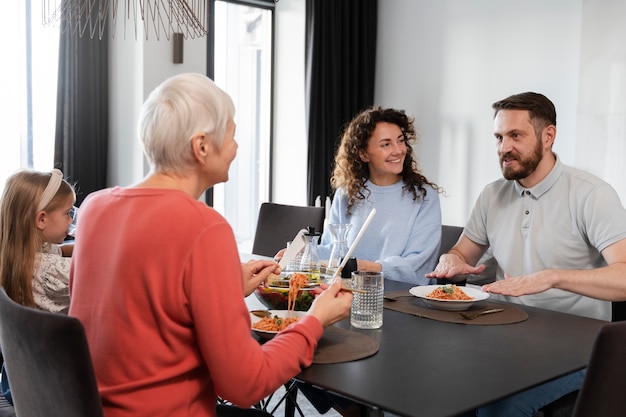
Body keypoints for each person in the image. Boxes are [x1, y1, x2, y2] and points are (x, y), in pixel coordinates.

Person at [67, 73, 353, 417]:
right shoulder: (204, 227)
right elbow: (245, 385)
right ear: (201, 146)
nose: (235, 147)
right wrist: (314, 321)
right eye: (232, 135)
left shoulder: (95, 208)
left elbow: (138, 309)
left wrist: (226, 286)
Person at [426, 92, 626, 417]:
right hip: (501, 336)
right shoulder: (493, 195)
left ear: (548, 136)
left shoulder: (593, 195)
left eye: (516, 136)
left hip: (577, 350)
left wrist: (554, 277)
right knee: (429, 382)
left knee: (494, 406)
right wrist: (451, 259)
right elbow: (463, 251)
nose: (504, 148)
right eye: (499, 137)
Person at [317, 106, 443, 285]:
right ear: (363, 154)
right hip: (347, 293)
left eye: (400, 141)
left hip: (401, 297)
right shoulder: (346, 195)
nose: (398, 150)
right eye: (386, 144)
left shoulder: (424, 197)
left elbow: (418, 265)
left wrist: (364, 267)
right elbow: (333, 251)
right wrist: (305, 253)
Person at [0, 168, 76, 405]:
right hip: (50, 384)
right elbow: (93, 271)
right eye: (67, 213)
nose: (72, 220)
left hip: (16, 376)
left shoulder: (17, 256)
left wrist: (81, 243)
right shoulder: (53, 271)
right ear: (41, 219)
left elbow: (61, 251)